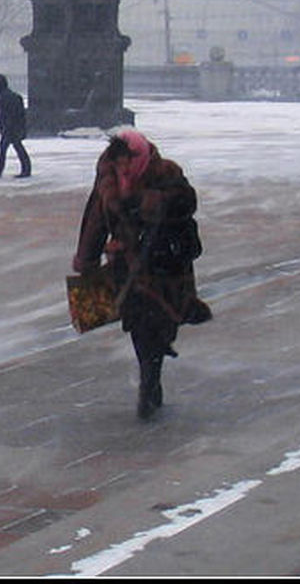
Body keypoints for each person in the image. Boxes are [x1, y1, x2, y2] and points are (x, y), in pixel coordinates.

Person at [72, 130, 210, 419]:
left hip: (165, 262)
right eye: (120, 161)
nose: (125, 167)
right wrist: (87, 260)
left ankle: (154, 368)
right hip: (128, 264)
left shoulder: (166, 171)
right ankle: (149, 381)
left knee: (162, 320)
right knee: (138, 322)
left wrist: (148, 202)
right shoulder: (108, 182)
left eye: (129, 159)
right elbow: (95, 221)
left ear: (141, 155)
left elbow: (187, 202)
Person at [0, 73, 30, 178]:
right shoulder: (12, 96)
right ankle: (25, 169)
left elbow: (5, 115)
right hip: (13, 127)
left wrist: (5, 127)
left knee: (11, 148)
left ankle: (1, 170)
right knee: (15, 147)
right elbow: (21, 114)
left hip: (10, 128)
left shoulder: (3, 97)